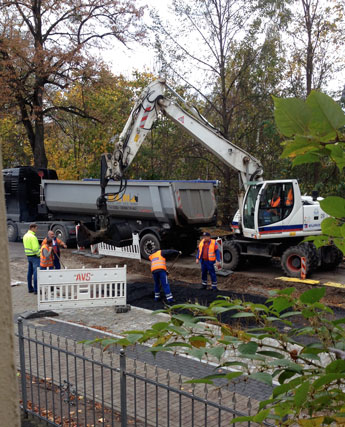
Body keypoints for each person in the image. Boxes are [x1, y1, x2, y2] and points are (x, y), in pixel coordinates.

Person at [23, 223, 40, 294]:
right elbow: (35, 248)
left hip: (28, 256)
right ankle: (36, 290)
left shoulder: (25, 236)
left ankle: (30, 288)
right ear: (32, 228)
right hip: (35, 257)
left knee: (30, 273)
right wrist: (40, 255)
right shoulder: (33, 237)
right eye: (36, 228)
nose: (36, 230)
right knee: (36, 273)